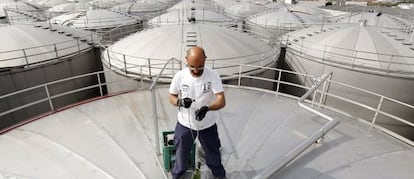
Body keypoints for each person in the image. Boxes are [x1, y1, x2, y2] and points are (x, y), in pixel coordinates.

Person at [169, 46, 226, 179]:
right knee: (181, 155)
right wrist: (180, 102)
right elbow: (171, 97)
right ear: (186, 60)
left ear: (205, 60)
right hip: (185, 124)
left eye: (200, 66)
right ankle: (177, 175)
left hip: (207, 125)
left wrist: (207, 108)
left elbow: (221, 100)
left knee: (213, 155)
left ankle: (220, 176)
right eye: (192, 66)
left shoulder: (213, 75)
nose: (196, 70)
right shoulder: (180, 76)